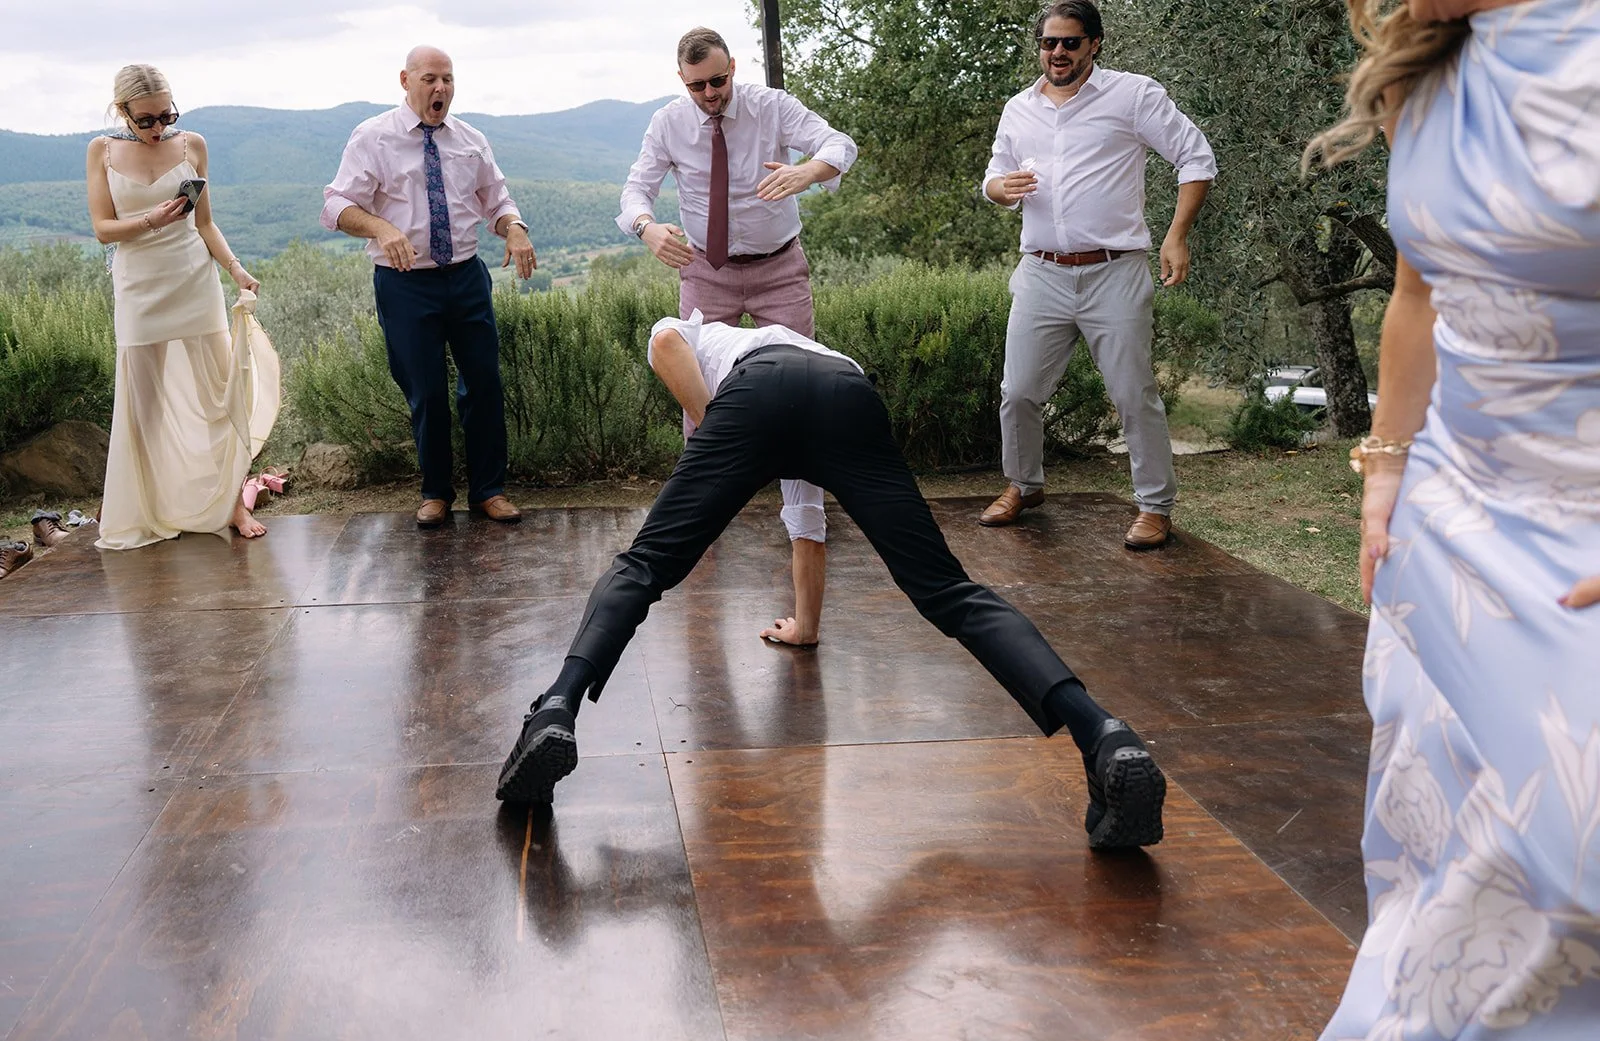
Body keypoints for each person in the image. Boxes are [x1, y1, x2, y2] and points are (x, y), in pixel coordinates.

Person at [494, 316, 1170, 852]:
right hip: (849, 398)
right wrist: (806, 626)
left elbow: (661, 339)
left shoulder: (711, 337)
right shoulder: (811, 355)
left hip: (752, 397)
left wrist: (718, 433)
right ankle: (1104, 735)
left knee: (642, 565)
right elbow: (807, 526)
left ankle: (555, 707)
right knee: (947, 591)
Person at [1302, 1, 1600, 1041]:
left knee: (1575, 871)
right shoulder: (1424, 72)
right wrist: (1386, 464)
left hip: (1583, 537)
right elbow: (1420, 289)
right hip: (1453, 528)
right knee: (1445, 860)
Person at [979, 0, 1215, 549]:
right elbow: (994, 173)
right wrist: (998, 188)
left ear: (1094, 44)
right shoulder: (1019, 108)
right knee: (1018, 392)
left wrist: (1176, 235)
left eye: (1069, 42)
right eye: (1048, 43)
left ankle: (1155, 507)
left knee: (1133, 393)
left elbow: (1196, 157)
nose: (1057, 53)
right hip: (1041, 272)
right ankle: (1025, 485)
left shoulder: (1133, 95)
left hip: (1115, 271)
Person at [322, 46, 537, 529]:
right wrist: (380, 227)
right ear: (405, 80)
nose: (440, 88)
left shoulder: (470, 139)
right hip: (404, 284)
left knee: (483, 384)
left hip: (465, 277)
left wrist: (515, 227)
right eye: (430, 79)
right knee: (426, 391)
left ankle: (490, 490)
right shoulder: (373, 138)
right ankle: (436, 492)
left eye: (448, 79)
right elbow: (336, 205)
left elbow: (496, 199)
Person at [86, 64, 275, 550]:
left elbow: (206, 224)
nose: (157, 129)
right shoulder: (101, 151)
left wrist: (235, 270)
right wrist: (150, 219)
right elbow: (103, 228)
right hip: (139, 287)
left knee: (219, 394)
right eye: (145, 120)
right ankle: (141, 505)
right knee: (142, 408)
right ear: (121, 111)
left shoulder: (193, 145)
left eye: (165, 116)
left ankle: (231, 503)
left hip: (194, 282)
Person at [618, 26, 858, 340]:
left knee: (795, 375)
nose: (709, 93)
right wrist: (644, 227)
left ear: (732, 67)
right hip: (705, 272)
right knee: (702, 377)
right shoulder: (668, 123)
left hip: (779, 269)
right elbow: (637, 189)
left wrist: (808, 171)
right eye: (696, 85)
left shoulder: (771, 106)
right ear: (682, 79)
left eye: (718, 80)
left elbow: (839, 144)